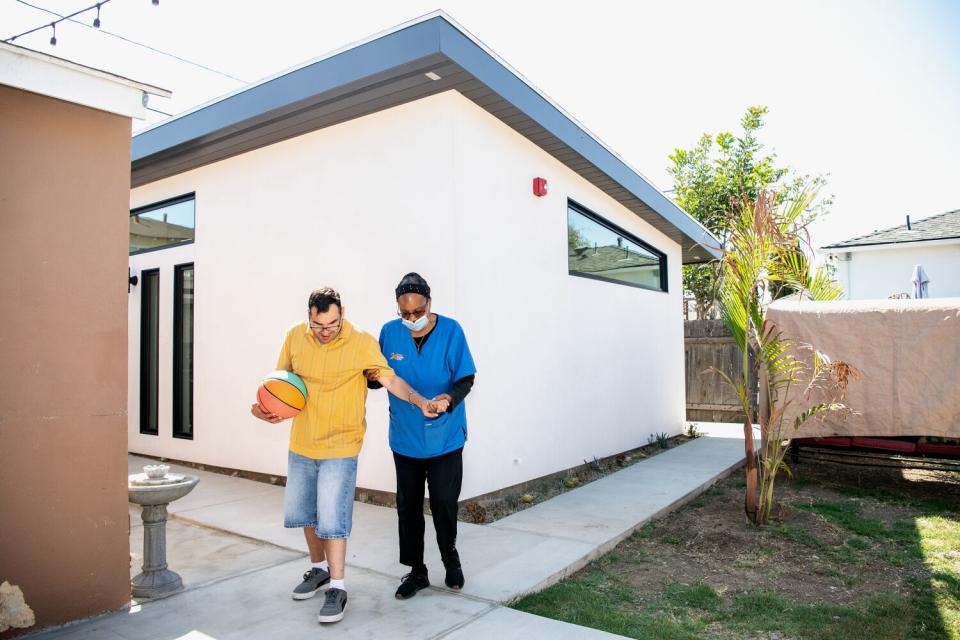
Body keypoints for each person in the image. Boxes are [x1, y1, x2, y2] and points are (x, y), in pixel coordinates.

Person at [251, 287, 440, 623]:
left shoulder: (362, 342)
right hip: (302, 443)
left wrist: (421, 401)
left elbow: (391, 381)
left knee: (332, 517)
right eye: (319, 326)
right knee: (307, 514)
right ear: (309, 317)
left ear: (343, 314)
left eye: (333, 325)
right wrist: (265, 410)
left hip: (342, 444)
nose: (325, 332)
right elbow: (281, 383)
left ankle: (338, 587)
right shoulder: (295, 337)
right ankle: (318, 569)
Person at [367, 273, 477, 599]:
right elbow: (379, 379)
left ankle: (450, 557)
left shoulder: (452, 331)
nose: (412, 319)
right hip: (406, 437)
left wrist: (446, 399)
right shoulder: (389, 333)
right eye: (405, 314)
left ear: (429, 302)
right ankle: (416, 571)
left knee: (444, 503)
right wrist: (371, 375)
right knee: (408, 508)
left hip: (445, 436)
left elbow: (466, 378)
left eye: (417, 311)